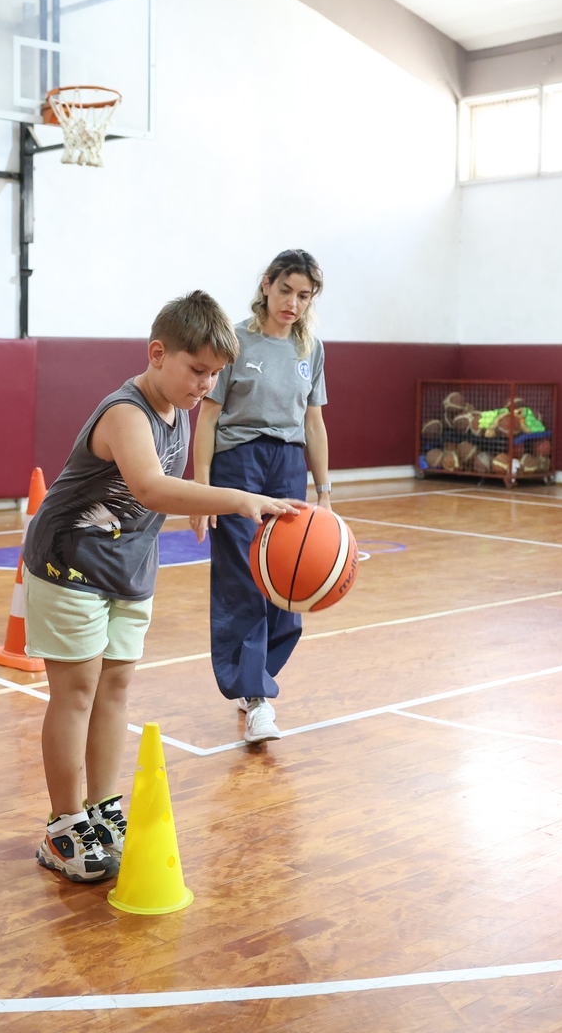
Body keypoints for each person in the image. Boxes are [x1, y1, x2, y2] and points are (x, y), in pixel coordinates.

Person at [22, 291, 301, 883]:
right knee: (76, 692)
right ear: (157, 354)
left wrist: (199, 496)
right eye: (197, 370)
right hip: (70, 562)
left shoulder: (180, 408)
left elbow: (165, 484)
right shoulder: (125, 413)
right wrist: (237, 499)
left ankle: (102, 810)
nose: (206, 385)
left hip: (127, 568)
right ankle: (63, 826)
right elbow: (149, 487)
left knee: (114, 688)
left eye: (215, 374)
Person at [190, 250, 331, 745]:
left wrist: (325, 494)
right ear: (267, 285)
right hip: (238, 464)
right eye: (286, 290)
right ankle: (255, 696)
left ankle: (257, 679)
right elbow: (208, 417)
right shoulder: (235, 340)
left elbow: (314, 423)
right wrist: (202, 490)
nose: (293, 303)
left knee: (286, 580)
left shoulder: (310, 349)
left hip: (287, 465)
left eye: (304, 295)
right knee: (242, 577)